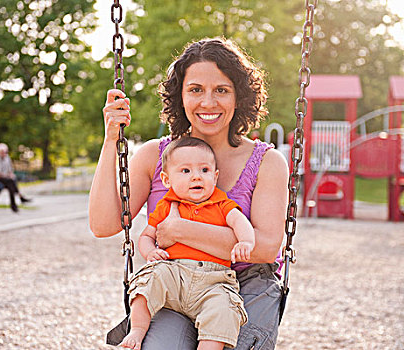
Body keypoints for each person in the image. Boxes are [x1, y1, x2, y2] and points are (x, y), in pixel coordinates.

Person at [89, 37, 289, 349]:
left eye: (221, 90)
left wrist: (181, 230)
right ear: (180, 96)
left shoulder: (267, 162)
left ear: (239, 96)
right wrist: (110, 139)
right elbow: (104, 225)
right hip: (175, 279)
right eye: (196, 90)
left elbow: (263, 248)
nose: (208, 102)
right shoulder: (156, 156)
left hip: (247, 283)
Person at [120, 136, 255, 350]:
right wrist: (149, 253)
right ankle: (137, 328)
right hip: (174, 274)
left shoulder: (221, 203)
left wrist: (246, 241)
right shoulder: (166, 207)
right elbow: (146, 236)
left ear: (215, 175)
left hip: (214, 280)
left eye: (204, 170)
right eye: (186, 171)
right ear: (166, 179)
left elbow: (240, 222)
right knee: (149, 278)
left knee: (224, 308)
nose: (196, 178)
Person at [0, 143, 31, 213]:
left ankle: (15, 204)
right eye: (2, 152)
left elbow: (10, 170)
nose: (4, 154)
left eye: (5, 152)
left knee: (11, 182)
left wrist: (11, 175)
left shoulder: (7, 158)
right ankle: (19, 198)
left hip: (6, 179)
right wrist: (6, 176)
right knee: (11, 182)